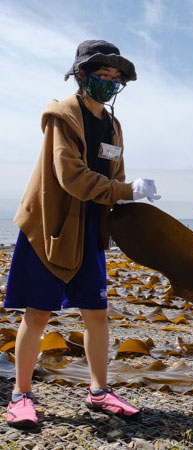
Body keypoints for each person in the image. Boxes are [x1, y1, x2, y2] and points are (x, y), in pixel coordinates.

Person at [3, 40, 155, 429]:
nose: (108, 82)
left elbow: (114, 177)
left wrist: (130, 199)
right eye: (101, 75)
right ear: (81, 75)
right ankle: (20, 395)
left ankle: (99, 391)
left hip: (90, 228)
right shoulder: (62, 117)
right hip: (49, 226)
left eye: (115, 78)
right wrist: (125, 190)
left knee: (97, 313)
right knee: (38, 313)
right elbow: (70, 176)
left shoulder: (112, 124)